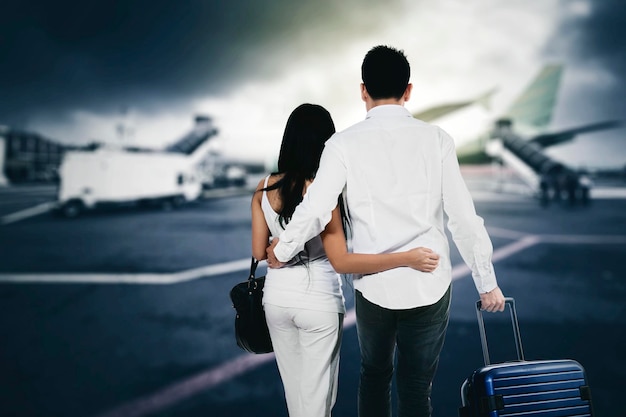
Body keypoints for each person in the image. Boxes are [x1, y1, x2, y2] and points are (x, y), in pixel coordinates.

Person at [266, 46, 506, 417]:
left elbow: (315, 209)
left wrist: (281, 252)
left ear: (363, 90)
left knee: (374, 376)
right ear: (408, 90)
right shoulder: (437, 139)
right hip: (429, 283)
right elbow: (462, 216)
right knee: (415, 386)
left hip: (374, 287)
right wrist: (486, 282)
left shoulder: (341, 144)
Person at [252, 103, 440, 417]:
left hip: (275, 301)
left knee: (297, 400)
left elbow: (259, 252)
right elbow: (340, 261)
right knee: (316, 404)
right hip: (317, 301)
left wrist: (278, 243)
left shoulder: (264, 186)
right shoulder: (323, 190)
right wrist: (406, 257)